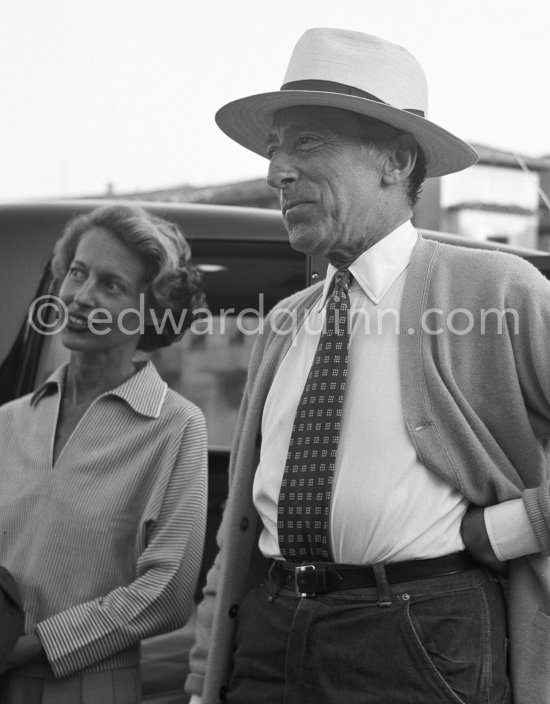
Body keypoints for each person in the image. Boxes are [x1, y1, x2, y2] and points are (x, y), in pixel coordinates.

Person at [185, 28, 550, 704]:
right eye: (274, 150)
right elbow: (242, 527)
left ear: (394, 159)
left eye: (307, 143)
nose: (277, 173)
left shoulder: (497, 292)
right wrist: (204, 676)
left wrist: (507, 530)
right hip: (268, 633)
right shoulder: (286, 324)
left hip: (417, 636)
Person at [0, 204, 208, 703]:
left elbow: (167, 594)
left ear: (151, 310)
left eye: (111, 285)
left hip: (86, 685)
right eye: (76, 272)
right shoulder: (8, 421)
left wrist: (34, 645)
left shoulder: (176, 427)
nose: (80, 297)